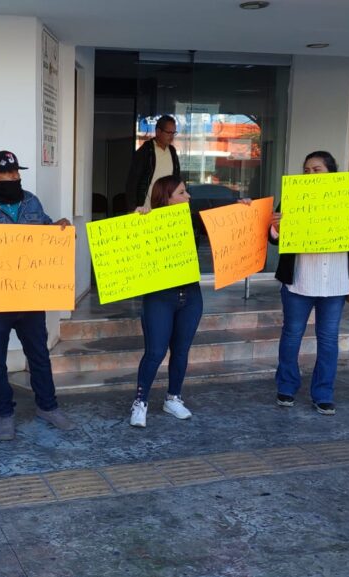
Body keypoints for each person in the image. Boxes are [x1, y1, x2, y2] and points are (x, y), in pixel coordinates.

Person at [0, 150, 77, 441]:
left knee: (39, 354)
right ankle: (4, 415)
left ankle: (48, 407)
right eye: (8, 173)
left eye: (17, 172)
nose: (15, 178)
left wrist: (59, 227)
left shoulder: (32, 202)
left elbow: (46, 232)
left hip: (31, 297)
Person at [268, 151, 349, 415]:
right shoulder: (293, 197)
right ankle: (286, 387)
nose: (310, 174)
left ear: (331, 172)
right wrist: (276, 226)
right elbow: (275, 240)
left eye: (317, 169)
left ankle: (323, 393)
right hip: (299, 281)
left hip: (334, 282)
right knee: (291, 335)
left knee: (328, 339)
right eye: (307, 170)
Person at [128, 176, 202, 427]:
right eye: (182, 193)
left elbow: (224, 223)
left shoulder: (194, 220)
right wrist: (136, 220)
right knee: (156, 352)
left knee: (181, 351)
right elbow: (129, 251)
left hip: (191, 296)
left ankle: (173, 398)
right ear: (166, 198)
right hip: (160, 298)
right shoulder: (148, 222)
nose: (188, 196)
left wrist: (244, 207)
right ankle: (140, 402)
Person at [124, 115, 181, 212]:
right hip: (146, 210)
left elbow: (176, 180)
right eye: (168, 132)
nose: (171, 136)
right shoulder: (145, 152)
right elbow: (132, 182)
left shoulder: (172, 151)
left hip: (168, 210)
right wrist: (133, 208)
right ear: (158, 132)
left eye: (174, 133)